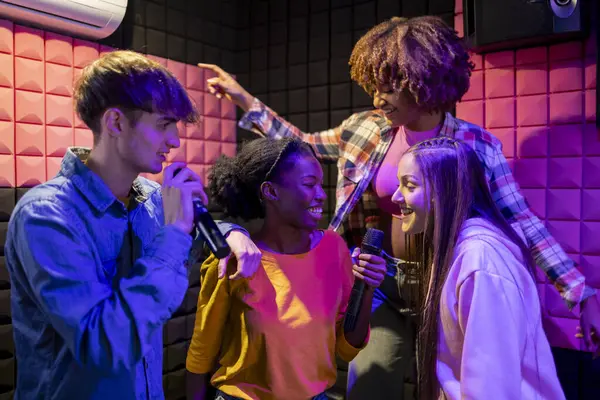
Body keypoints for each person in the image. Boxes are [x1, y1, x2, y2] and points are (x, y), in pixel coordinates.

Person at [197, 15, 600, 399]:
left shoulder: (474, 146)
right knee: (370, 386)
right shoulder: (365, 127)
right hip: (379, 284)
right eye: (376, 84)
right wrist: (245, 99)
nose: (377, 97)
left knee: (445, 386)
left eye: (390, 86)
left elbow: (521, 220)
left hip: (440, 283)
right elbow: (302, 141)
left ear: (423, 83)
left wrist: (580, 294)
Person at [4, 50, 259, 400]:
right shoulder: (46, 216)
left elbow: (191, 240)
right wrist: (173, 233)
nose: (175, 141)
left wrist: (232, 233)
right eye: (163, 124)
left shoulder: (152, 198)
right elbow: (106, 345)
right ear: (116, 123)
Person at [185, 137, 386, 400]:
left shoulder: (333, 249)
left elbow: (347, 347)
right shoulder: (234, 259)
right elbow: (201, 354)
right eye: (309, 184)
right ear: (271, 192)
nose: (322, 194)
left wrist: (366, 287)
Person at [390, 136, 566, 400]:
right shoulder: (457, 249)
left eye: (409, 185)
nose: (395, 197)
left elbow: (490, 384)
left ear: (443, 192)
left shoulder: (481, 260)